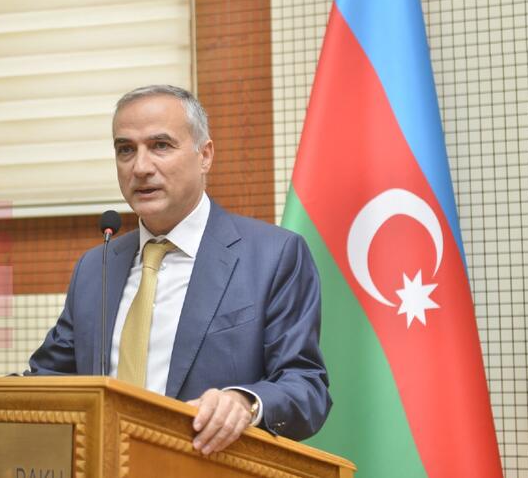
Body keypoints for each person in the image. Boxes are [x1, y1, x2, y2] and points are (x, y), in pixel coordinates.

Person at [26, 85, 330, 454]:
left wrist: (244, 402)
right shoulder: (96, 266)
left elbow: (306, 387)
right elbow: (49, 380)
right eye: (126, 150)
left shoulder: (273, 255)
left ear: (205, 155)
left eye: (160, 146)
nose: (140, 167)